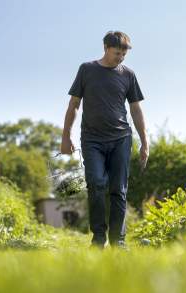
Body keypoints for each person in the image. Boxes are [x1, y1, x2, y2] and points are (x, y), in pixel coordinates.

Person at [60, 31, 149, 249]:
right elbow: (74, 105)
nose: (120, 58)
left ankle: (118, 241)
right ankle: (98, 239)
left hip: (121, 138)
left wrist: (145, 142)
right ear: (106, 48)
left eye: (124, 55)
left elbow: (136, 109)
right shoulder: (87, 69)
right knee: (96, 184)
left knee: (119, 189)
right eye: (117, 53)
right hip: (92, 139)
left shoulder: (128, 75)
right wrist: (66, 135)